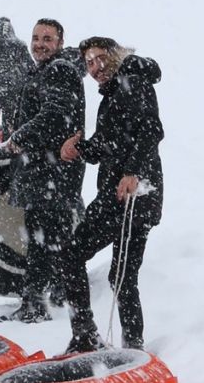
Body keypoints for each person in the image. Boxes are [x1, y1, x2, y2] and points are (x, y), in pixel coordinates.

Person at [59, 37, 164, 353]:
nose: (95, 67)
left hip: (132, 194)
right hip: (125, 195)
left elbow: (151, 130)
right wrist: (80, 147)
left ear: (116, 55)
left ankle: (87, 336)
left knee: (73, 256)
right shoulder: (113, 95)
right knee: (122, 276)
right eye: (89, 63)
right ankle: (132, 346)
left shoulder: (134, 79)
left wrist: (132, 172)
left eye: (100, 58)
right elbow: (108, 145)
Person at [0, 19, 86, 323]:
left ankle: (38, 305)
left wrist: (19, 137)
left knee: (45, 241)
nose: (39, 43)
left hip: (54, 174)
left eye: (47, 38)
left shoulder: (59, 70)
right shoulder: (44, 71)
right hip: (45, 174)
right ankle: (49, 300)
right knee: (45, 240)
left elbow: (54, 115)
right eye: (35, 37)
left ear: (60, 42)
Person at [0, 17, 33, 133]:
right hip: (13, 88)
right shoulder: (20, 44)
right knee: (8, 122)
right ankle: (6, 145)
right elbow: (31, 68)